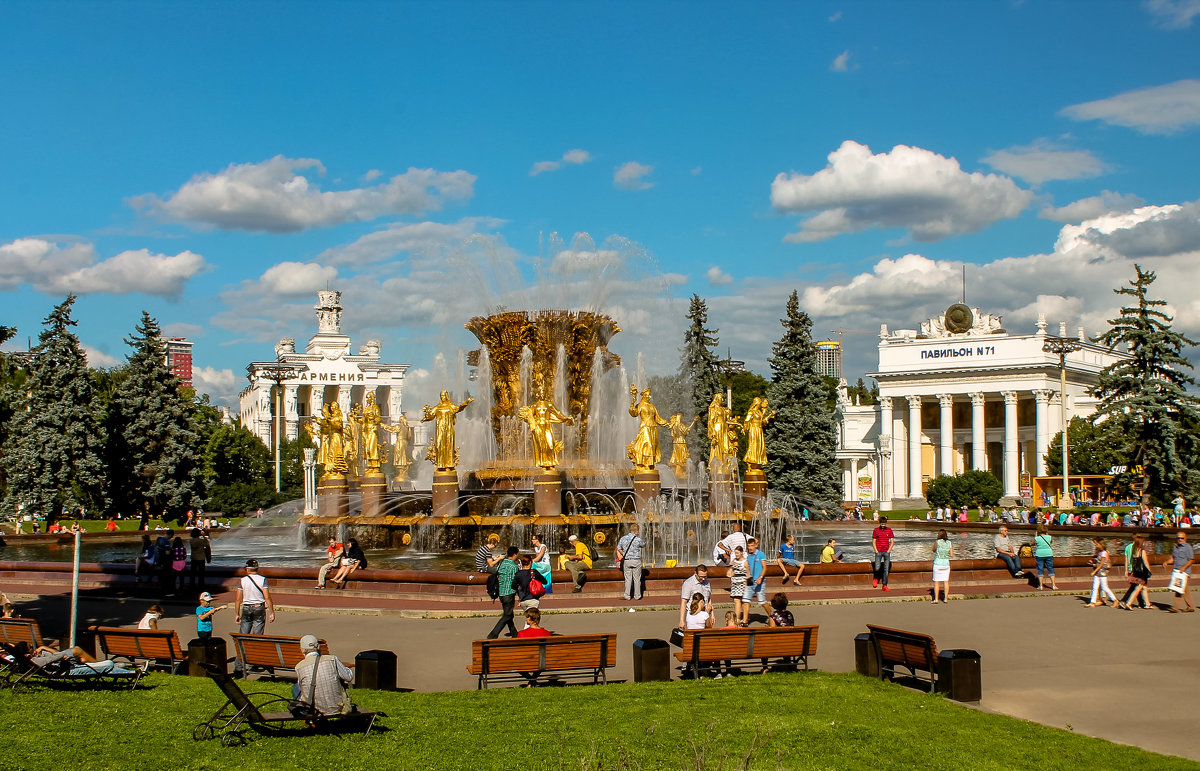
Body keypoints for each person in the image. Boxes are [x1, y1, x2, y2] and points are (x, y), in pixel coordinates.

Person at [293, 634, 356, 716]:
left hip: (314, 710)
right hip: (338, 707)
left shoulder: (299, 667)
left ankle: (306, 715)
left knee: (295, 688)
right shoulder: (332, 659)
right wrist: (345, 669)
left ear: (302, 649)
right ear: (318, 647)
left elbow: (303, 689)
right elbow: (349, 677)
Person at [487, 546, 520, 639]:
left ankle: (514, 633)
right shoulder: (514, 567)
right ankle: (493, 634)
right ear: (514, 555)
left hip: (501, 593)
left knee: (509, 613)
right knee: (507, 615)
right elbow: (515, 581)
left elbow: (497, 573)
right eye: (517, 554)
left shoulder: (502, 563)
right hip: (509, 593)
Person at [234, 559, 274, 634]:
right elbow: (267, 597)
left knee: (244, 633)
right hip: (259, 607)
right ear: (257, 569)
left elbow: (238, 599)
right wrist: (271, 612)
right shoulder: (263, 579)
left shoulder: (242, 580)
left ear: (247, 569)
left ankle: (243, 644)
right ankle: (255, 645)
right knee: (257, 633)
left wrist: (237, 614)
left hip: (246, 607)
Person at [1118, 534, 1153, 610]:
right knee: (1138, 587)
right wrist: (1149, 570)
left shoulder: (1134, 550)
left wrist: (1127, 570)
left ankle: (1147, 604)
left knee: (1144, 587)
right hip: (1142, 572)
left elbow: (1129, 561)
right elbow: (1145, 562)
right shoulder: (1142, 551)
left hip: (1136, 571)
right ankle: (1129, 603)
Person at [741, 537, 768, 625]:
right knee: (745, 600)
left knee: (762, 601)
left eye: (752, 546)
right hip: (750, 581)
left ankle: (772, 616)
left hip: (759, 581)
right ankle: (745, 621)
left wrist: (760, 577)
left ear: (756, 545)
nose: (750, 548)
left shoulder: (761, 554)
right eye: (749, 546)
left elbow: (765, 568)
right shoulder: (748, 555)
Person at [615, 524, 646, 601]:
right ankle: (637, 596)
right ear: (637, 531)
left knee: (628, 579)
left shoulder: (623, 538)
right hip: (636, 560)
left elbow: (618, 548)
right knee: (637, 579)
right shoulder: (638, 539)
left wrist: (624, 553)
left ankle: (627, 596)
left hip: (627, 560)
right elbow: (643, 545)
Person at [678, 564, 712, 629]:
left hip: (705, 613)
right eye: (701, 577)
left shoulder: (707, 582)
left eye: (705, 576)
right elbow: (684, 602)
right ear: (695, 573)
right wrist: (682, 620)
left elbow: (709, 598)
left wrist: (712, 614)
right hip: (693, 613)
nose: (703, 579)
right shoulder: (688, 583)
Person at [1168, 531, 1195, 613]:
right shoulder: (1176, 547)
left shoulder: (1188, 547)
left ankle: (1175, 607)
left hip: (1184, 572)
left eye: (1182, 538)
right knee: (1184, 589)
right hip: (1177, 571)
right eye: (1178, 538)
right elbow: (1173, 559)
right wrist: (1166, 562)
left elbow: (1191, 560)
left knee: (1178, 588)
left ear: (1185, 538)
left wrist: (1184, 567)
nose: (1180, 539)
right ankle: (1191, 606)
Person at [1087, 538, 1117, 607]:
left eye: (1097, 544)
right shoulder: (1099, 552)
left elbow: (1101, 564)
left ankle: (1115, 600)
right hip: (1098, 572)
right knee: (1095, 587)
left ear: (1101, 544)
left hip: (1102, 572)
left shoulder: (1104, 553)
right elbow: (1097, 562)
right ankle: (1092, 602)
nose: (1096, 545)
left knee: (1104, 587)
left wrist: (1094, 571)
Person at [871, 516, 894, 591]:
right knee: (877, 567)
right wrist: (876, 550)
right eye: (882, 523)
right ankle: (876, 579)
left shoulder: (889, 530)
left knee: (886, 569)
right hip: (879, 551)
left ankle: (885, 585)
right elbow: (874, 541)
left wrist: (889, 550)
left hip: (886, 552)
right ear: (880, 523)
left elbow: (892, 541)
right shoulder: (876, 530)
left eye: (884, 524)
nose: (883, 525)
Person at [727, 546, 748, 625]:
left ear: (741, 552)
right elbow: (731, 568)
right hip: (735, 582)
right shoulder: (734, 560)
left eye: (737, 553)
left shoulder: (745, 562)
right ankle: (738, 618)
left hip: (742, 583)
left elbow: (747, 573)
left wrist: (746, 584)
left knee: (740, 601)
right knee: (736, 600)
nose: (736, 554)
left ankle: (739, 619)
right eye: (735, 553)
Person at [931, 530, 953, 603]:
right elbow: (952, 555)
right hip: (946, 563)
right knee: (946, 581)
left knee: (936, 581)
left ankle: (936, 599)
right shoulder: (949, 543)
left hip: (938, 562)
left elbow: (933, 550)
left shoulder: (937, 542)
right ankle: (946, 598)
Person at [1034, 525, 1057, 590]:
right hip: (1049, 553)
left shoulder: (1037, 538)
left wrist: (1036, 536)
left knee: (1040, 569)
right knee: (1050, 568)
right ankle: (1053, 585)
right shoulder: (1049, 537)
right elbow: (1050, 542)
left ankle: (1041, 586)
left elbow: (1033, 543)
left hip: (1039, 554)